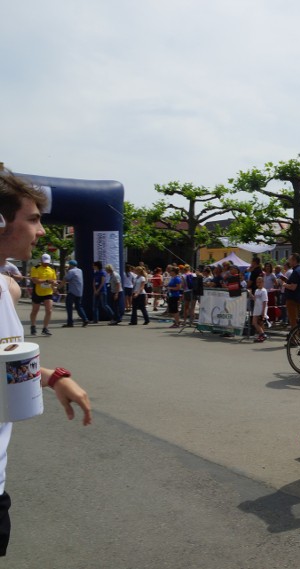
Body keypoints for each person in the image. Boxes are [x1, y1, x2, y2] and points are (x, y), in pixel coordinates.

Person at [0, 168, 92, 556]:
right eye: (33, 219)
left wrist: (53, 377)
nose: (41, 232)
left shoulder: (7, 287)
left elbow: (6, 361)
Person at [29, 253, 57, 336]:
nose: (46, 263)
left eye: (47, 262)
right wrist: (47, 281)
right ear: (41, 260)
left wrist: (54, 287)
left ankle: (45, 328)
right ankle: (33, 326)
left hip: (48, 292)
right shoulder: (35, 268)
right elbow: (35, 280)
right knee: (35, 310)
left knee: (49, 310)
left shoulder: (51, 269)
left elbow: (54, 281)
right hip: (37, 292)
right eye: (45, 262)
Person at [61, 260, 88, 327]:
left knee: (69, 307)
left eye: (69, 265)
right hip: (79, 292)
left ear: (71, 265)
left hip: (72, 292)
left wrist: (59, 287)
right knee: (78, 306)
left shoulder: (71, 271)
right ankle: (85, 319)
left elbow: (65, 279)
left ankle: (70, 322)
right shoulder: (80, 271)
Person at [282, 254, 300, 329]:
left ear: (294, 260)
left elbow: (293, 287)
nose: (289, 262)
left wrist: (284, 284)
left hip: (292, 299)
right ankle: (297, 337)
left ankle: (295, 338)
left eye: (290, 260)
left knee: (293, 321)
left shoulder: (296, 271)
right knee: (297, 320)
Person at [250, 275, 268, 342]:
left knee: (255, 322)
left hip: (261, 308)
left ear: (263, 282)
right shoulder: (257, 290)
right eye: (257, 282)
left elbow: (265, 301)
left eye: (260, 282)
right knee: (256, 323)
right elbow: (255, 299)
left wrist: (263, 312)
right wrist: (250, 294)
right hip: (256, 308)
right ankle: (261, 335)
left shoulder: (264, 291)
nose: (259, 283)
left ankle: (262, 334)